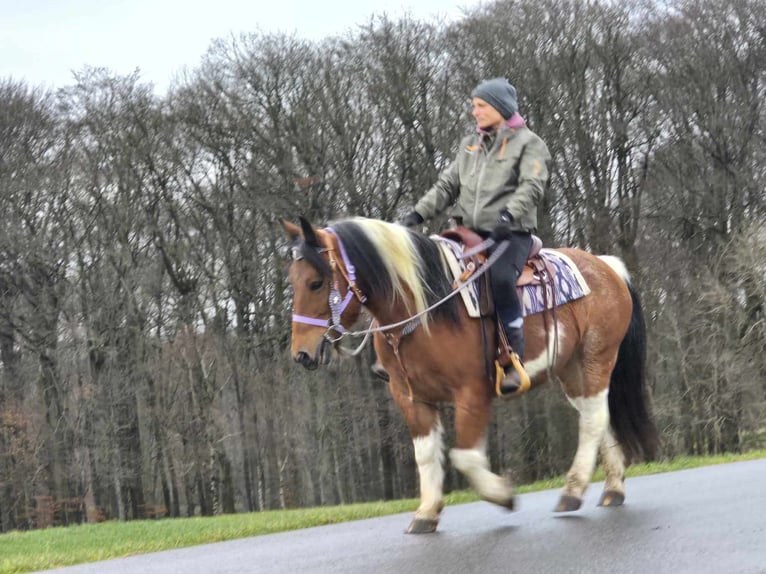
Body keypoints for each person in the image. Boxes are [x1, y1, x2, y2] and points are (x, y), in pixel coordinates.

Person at [399, 77, 551, 393]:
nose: (474, 112)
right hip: (466, 232)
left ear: (499, 107)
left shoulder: (529, 143)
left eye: (480, 105)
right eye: (474, 105)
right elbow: (445, 187)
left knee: (499, 280)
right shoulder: (470, 145)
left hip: (510, 233)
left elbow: (532, 186)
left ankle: (513, 357)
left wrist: (508, 216)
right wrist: (416, 214)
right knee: (423, 271)